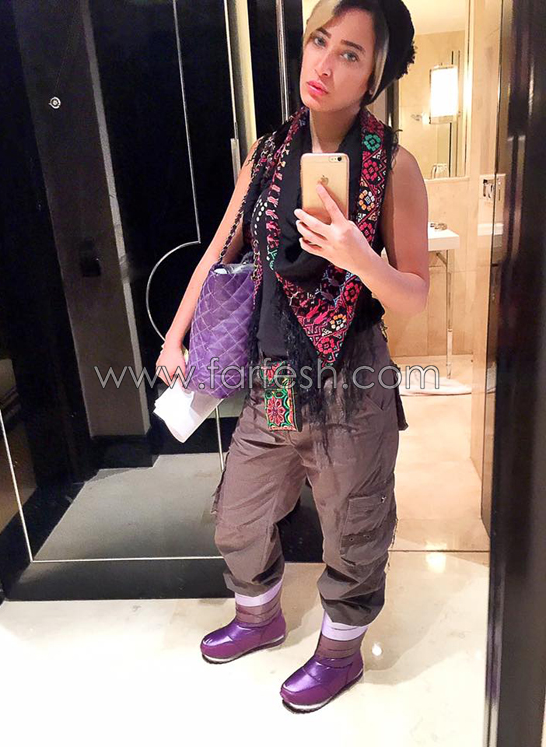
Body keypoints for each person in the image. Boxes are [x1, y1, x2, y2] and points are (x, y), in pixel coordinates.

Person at [157, 0, 428, 713]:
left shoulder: (394, 166)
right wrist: (176, 334)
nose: (324, 64)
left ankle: (340, 653)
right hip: (274, 375)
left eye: (350, 54)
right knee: (237, 515)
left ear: (373, 76)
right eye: (319, 41)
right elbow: (221, 251)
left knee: (354, 525)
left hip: (353, 382)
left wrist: (360, 257)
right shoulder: (269, 153)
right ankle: (259, 617)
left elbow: (414, 295)